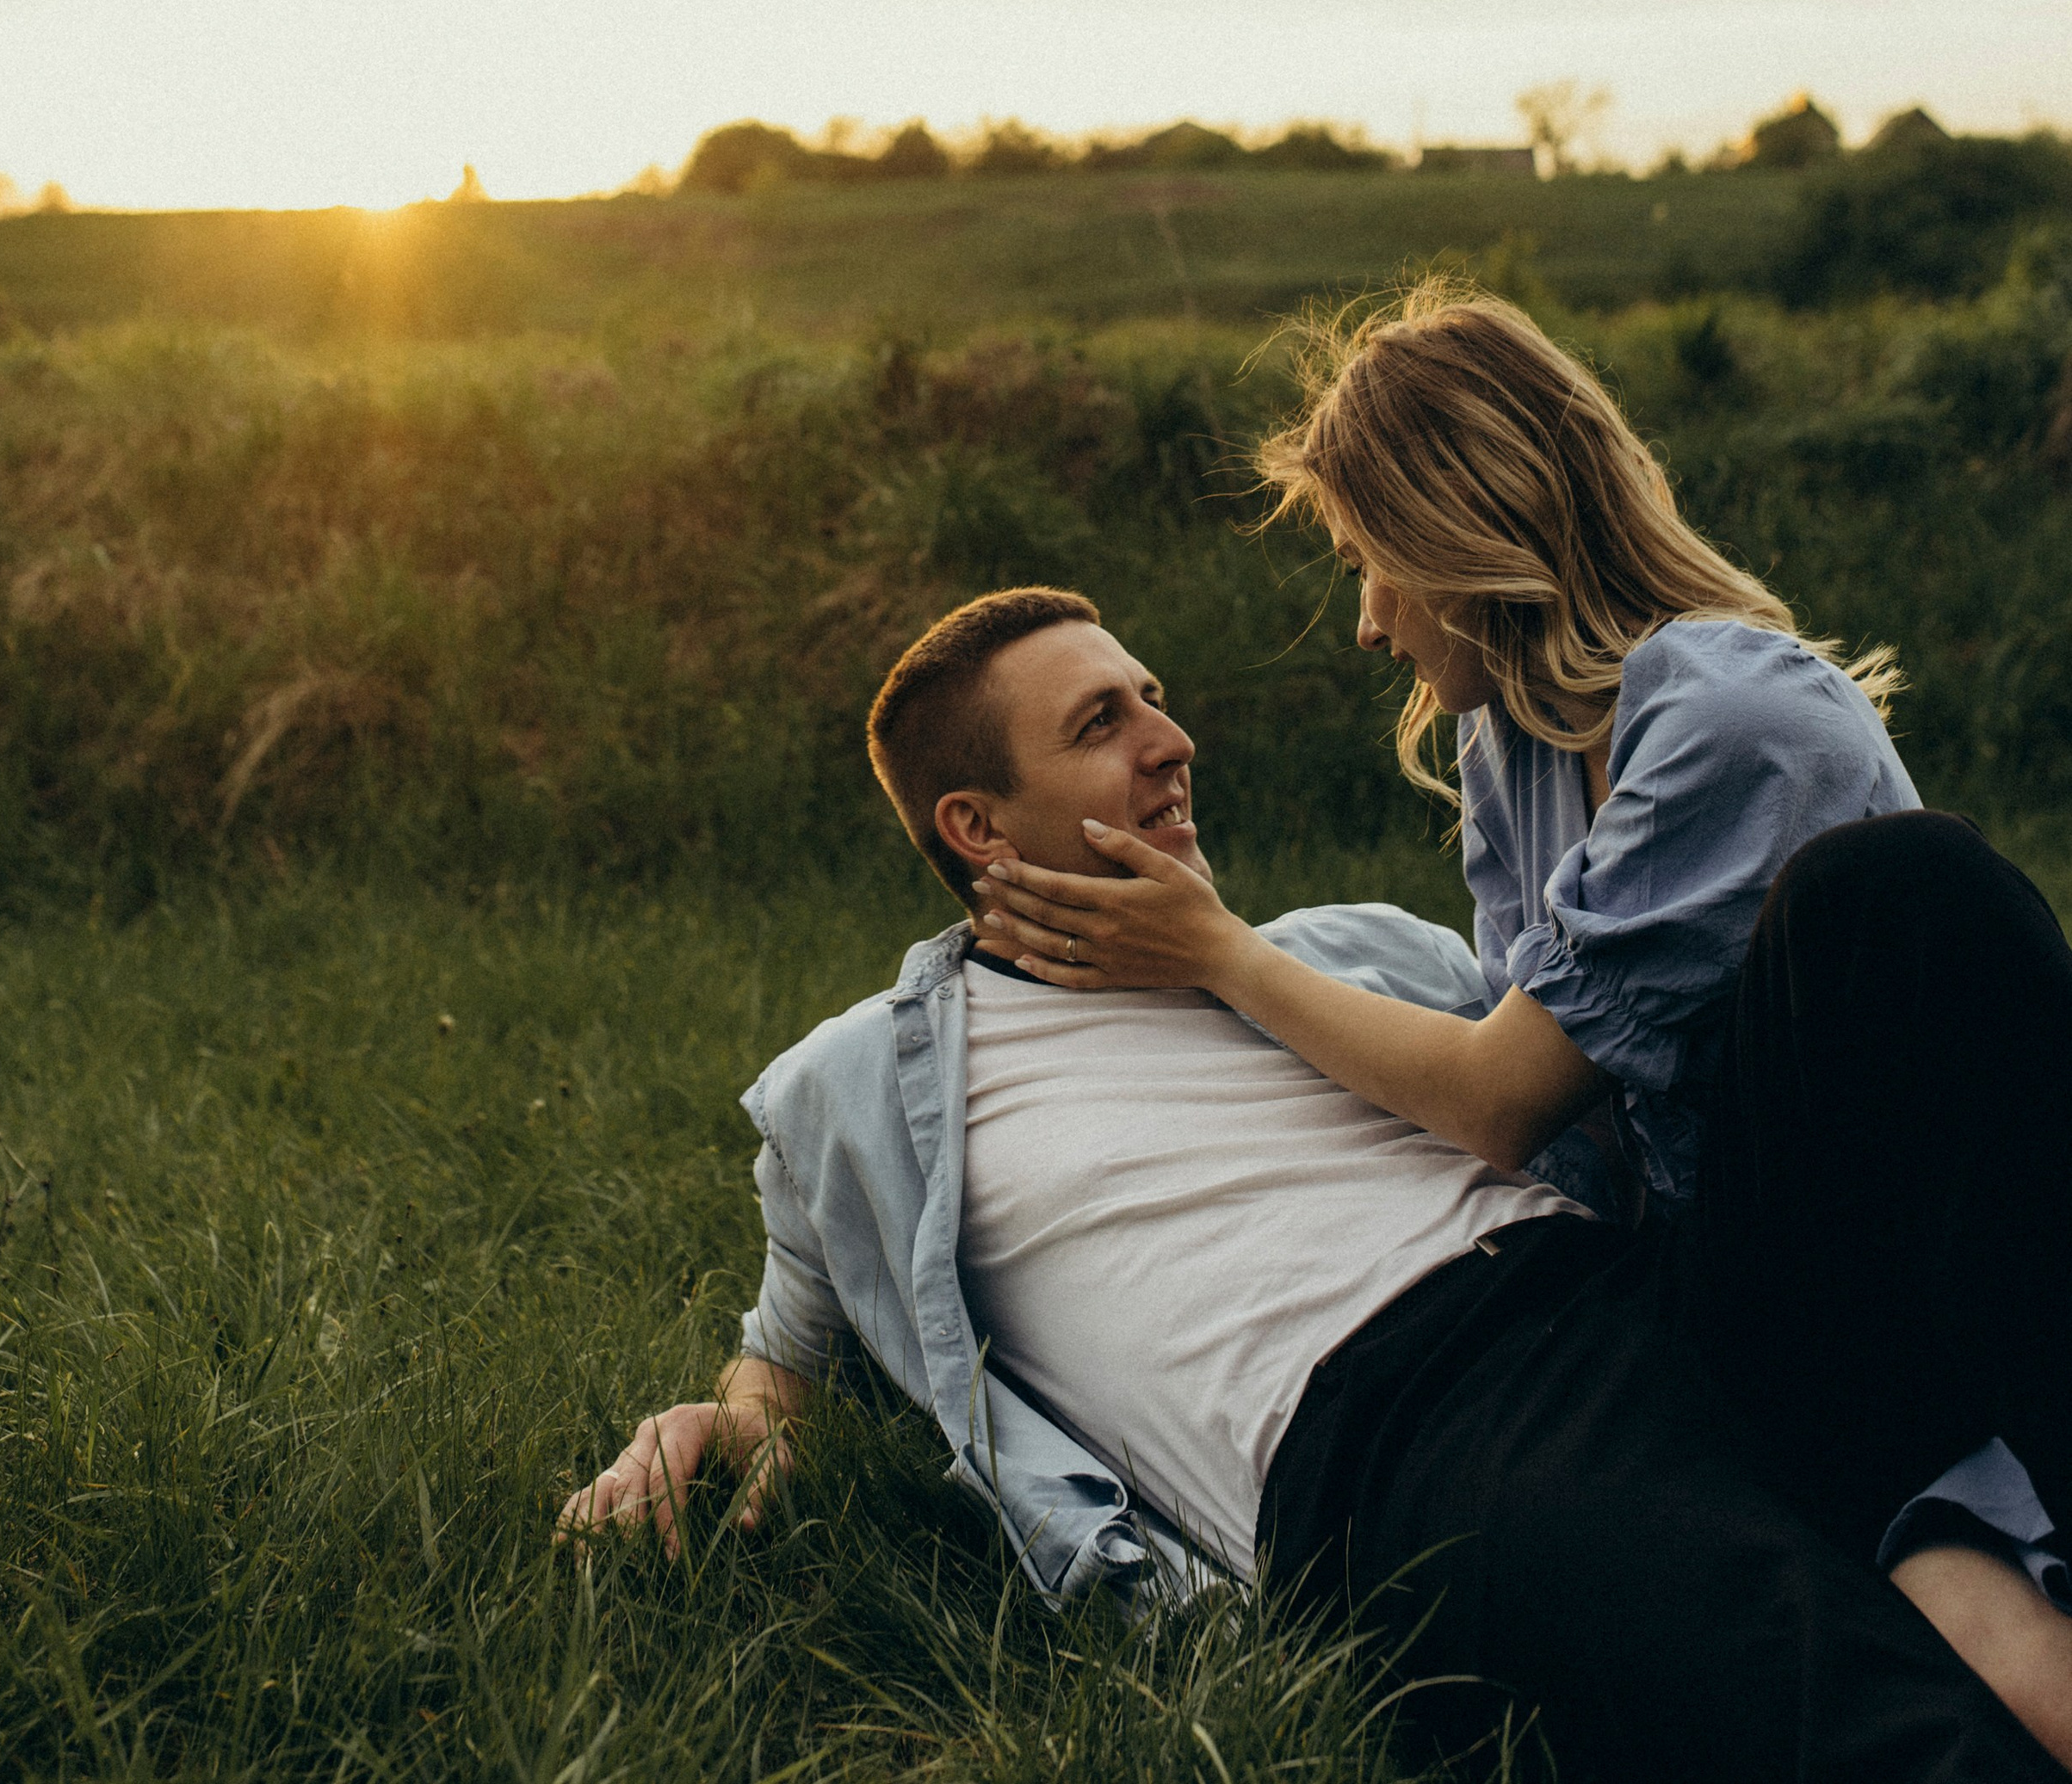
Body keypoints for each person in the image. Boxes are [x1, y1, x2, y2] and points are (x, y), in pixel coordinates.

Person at [560, 589, 2071, 1783]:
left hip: (1651, 1294)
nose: (1171, 739)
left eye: (1154, 696)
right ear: (977, 826)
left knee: (1895, 890)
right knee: (1849, 1695)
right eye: (1102, 722)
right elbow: (788, 1362)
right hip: (1419, 1431)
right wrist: (713, 1421)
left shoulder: (1348, 951)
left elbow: (1572, 1093)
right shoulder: (860, 1088)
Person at [965, 289, 2072, 1748]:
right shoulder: (1516, 748)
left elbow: (1502, 1095)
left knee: (1897, 889)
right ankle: (1914, 1533)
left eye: (1370, 567)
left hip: (1888, 1261)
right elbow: (1542, 1094)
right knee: (1957, 1623)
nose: (1368, 624)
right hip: (1727, 1299)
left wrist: (1221, 955)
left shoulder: (1731, 718)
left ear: (1459, 535)